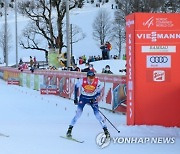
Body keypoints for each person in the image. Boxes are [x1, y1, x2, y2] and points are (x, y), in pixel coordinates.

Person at [66, 71, 110, 138]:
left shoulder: (98, 82)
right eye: (90, 77)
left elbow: (99, 92)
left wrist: (94, 97)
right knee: (78, 114)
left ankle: (106, 131)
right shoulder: (82, 81)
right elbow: (76, 86)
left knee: (97, 115)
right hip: (83, 98)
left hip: (92, 99)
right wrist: (75, 98)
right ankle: (69, 130)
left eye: (93, 77)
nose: (91, 79)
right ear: (87, 77)